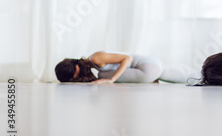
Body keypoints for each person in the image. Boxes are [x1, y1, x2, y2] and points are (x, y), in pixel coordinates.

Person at [55, 52, 198, 84]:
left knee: (102, 77)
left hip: (147, 67)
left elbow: (127, 58)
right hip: (154, 66)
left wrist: (112, 79)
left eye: (75, 75)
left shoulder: (95, 58)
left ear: (75, 65)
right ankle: (203, 76)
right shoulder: (93, 64)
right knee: (183, 77)